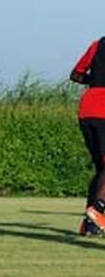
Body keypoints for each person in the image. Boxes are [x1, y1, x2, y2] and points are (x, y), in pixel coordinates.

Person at [70, 37, 105, 236]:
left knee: (101, 169)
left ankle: (89, 225)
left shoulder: (97, 44)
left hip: (88, 108)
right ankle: (98, 209)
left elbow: (76, 75)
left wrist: (96, 79)